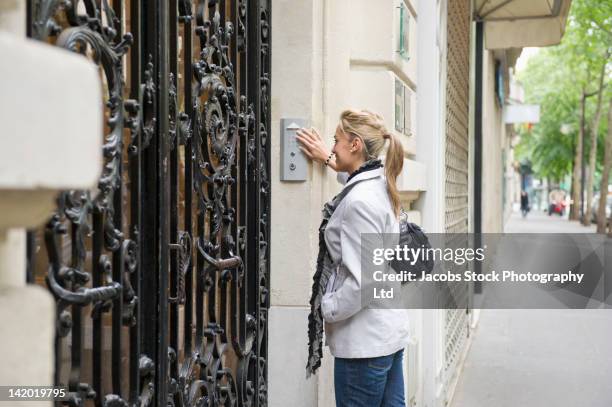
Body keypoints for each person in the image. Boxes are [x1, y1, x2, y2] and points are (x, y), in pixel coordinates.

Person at [296, 109, 410, 407]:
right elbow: (352, 180)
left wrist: (327, 307)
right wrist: (328, 159)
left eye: (336, 140)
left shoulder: (360, 202)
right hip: (384, 335)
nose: (332, 146)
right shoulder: (379, 184)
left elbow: (365, 282)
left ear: (355, 144)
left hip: (365, 347)